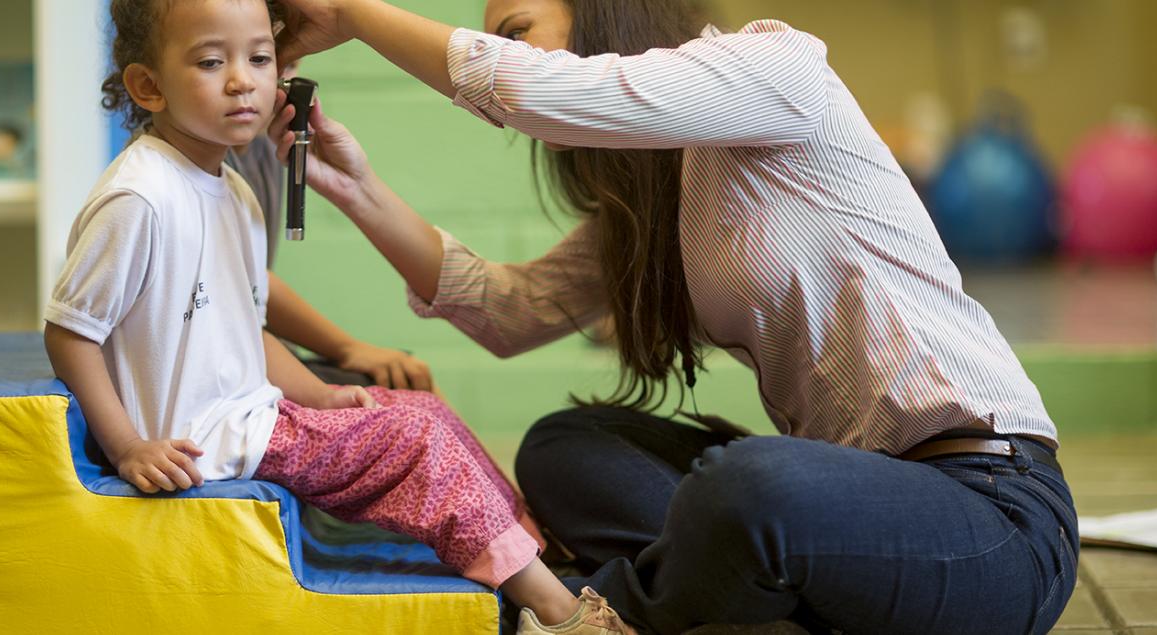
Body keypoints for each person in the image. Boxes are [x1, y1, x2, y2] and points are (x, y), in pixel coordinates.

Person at [268, 0, 1079, 633]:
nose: (512, 53)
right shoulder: (666, 193)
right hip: (843, 513)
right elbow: (510, 311)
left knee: (751, 489)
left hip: (991, 517)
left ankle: (576, 610)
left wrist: (352, 15)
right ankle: (752, 607)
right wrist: (357, 190)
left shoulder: (776, 66)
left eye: (519, 31)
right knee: (565, 446)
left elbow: (527, 87)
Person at [43, 1, 618, 632]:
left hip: (252, 418)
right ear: (148, 85)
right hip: (203, 442)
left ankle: (538, 561)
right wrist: (128, 447)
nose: (243, 80)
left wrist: (323, 394)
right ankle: (561, 615)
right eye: (212, 62)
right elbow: (70, 331)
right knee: (415, 444)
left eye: (260, 58)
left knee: (422, 411)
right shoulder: (139, 197)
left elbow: (242, 329)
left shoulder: (230, 190)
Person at [226, 65, 435, 391]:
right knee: (404, 405)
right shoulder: (190, 167)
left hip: (260, 353)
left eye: (285, 64)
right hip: (230, 372)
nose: (282, 82)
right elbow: (239, 279)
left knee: (412, 380)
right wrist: (346, 351)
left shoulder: (266, 141)